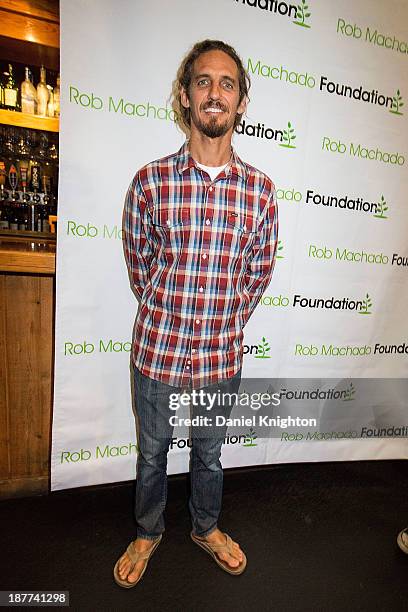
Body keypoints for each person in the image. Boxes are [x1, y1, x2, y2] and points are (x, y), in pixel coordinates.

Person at [114, 39, 278, 588]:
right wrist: (169, 312)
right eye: (203, 81)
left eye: (227, 84)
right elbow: (140, 266)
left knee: (209, 457)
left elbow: (256, 278)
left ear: (241, 102)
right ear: (185, 96)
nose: (215, 93)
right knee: (151, 456)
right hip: (158, 350)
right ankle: (147, 530)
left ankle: (205, 526)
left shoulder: (260, 193)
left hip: (219, 356)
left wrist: (223, 320)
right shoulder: (150, 182)